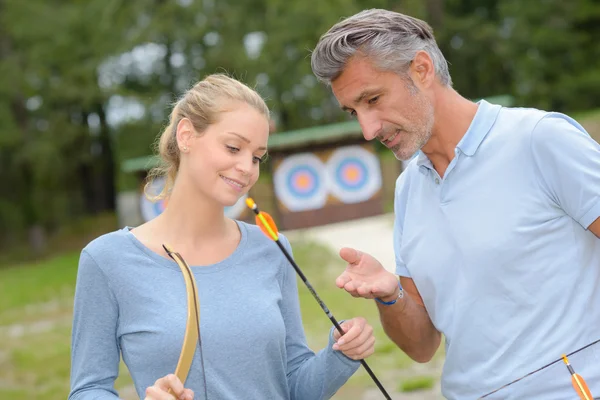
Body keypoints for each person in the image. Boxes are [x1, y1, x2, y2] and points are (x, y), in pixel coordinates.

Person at [311, 8, 600, 400]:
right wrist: (388, 292)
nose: (367, 129)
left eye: (373, 99)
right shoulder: (408, 189)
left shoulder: (539, 139)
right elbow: (421, 346)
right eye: (354, 112)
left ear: (422, 69)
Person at [68, 74, 376, 400]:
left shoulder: (272, 249)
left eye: (257, 157)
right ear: (186, 135)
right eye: (233, 147)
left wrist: (341, 354)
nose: (247, 167)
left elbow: (294, 386)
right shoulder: (107, 260)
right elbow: (89, 390)